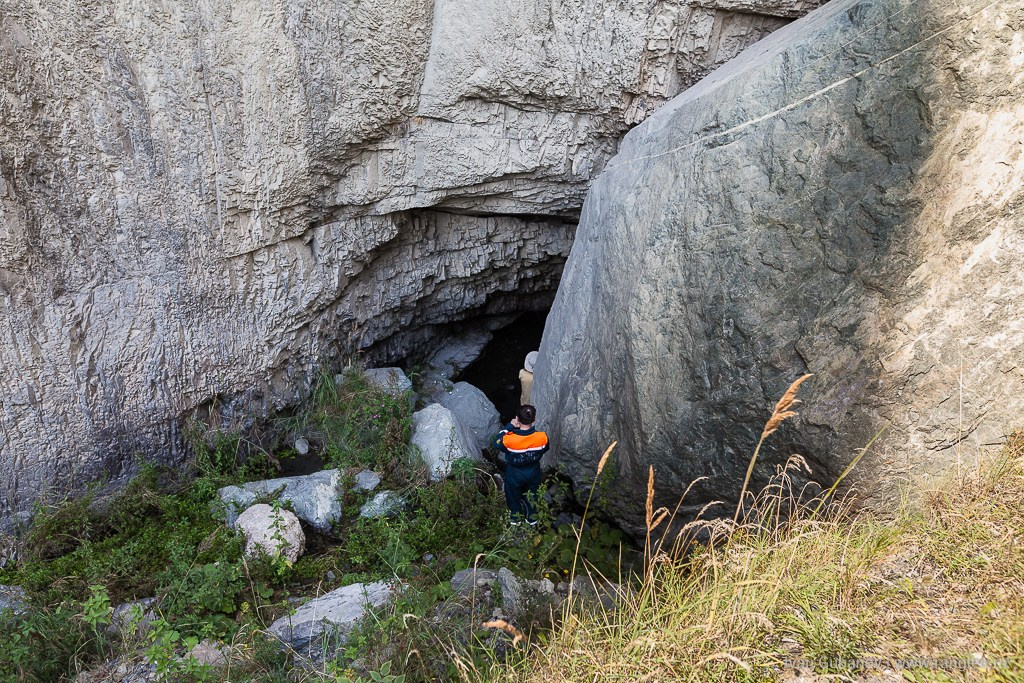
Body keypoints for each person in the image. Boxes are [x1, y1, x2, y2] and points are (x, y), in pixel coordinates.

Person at [493, 404, 548, 526]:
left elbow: (496, 442)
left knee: (512, 495)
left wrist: (509, 427)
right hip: (533, 472)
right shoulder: (542, 437)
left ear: (517, 418)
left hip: (514, 473)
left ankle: (515, 519)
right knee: (532, 495)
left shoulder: (509, 439)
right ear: (534, 420)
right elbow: (545, 449)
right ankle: (532, 520)